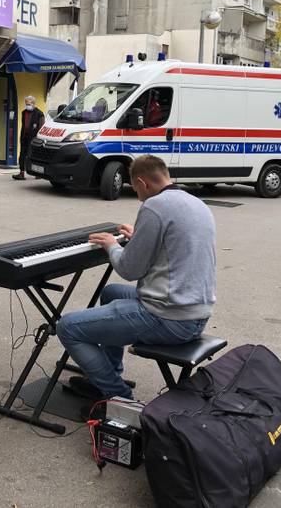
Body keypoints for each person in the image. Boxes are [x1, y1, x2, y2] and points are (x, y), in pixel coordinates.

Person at [56, 155, 216, 406]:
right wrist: (139, 236)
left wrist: (111, 245)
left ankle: (118, 395)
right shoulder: (195, 203)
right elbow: (172, 249)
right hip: (196, 313)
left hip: (167, 317)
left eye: (135, 189)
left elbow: (129, 268)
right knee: (111, 293)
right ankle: (108, 371)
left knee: (67, 326)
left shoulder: (156, 206)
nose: (138, 195)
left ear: (142, 183)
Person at [12, 95, 44, 180]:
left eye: (28, 103)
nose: (27, 105)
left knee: (34, 155)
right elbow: (23, 126)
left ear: (33, 103)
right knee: (22, 155)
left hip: (34, 138)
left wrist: (39, 139)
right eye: (26, 103)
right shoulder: (24, 112)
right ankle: (21, 173)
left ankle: (37, 173)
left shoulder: (39, 114)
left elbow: (41, 127)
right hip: (24, 137)